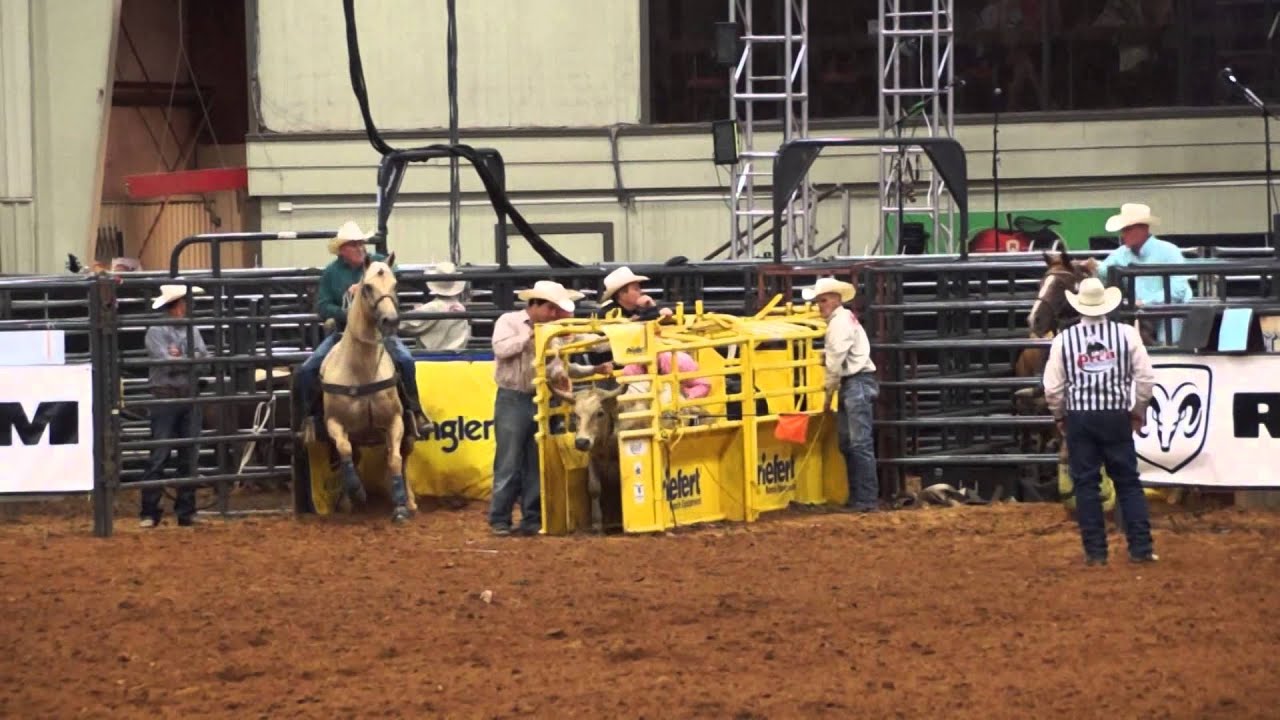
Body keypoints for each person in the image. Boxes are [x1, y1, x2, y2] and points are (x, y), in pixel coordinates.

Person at [1043, 276, 1158, 566]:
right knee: (1128, 482)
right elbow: (1145, 378)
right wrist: (1138, 410)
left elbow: (1052, 388)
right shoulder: (1126, 335)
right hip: (1116, 415)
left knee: (1086, 484)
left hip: (1080, 417)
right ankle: (1141, 548)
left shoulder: (1063, 340)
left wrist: (1060, 417)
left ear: (1079, 305)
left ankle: (1095, 553)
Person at [489, 281, 609, 537]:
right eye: (550, 308)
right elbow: (501, 349)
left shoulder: (552, 332)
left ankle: (533, 518)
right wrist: (531, 336)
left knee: (537, 462)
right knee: (508, 461)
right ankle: (500, 519)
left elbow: (559, 364)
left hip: (542, 397)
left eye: (556, 309)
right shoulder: (509, 322)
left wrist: (571, 373)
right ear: (534, 305)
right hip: (514, 397)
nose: (554, 314)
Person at [296, 221, 431, 437]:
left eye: (361, 243)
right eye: (353, 244)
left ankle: (415, 411)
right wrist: (348, 313)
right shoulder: (331, 273)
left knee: (405, 361)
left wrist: (370, 283)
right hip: (342, 334)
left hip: (379, 332)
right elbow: (323, 306)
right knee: (307, 370)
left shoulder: (376, 263)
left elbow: (393, 273)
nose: (360, 248)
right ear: (342, 250)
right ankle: (308, 419)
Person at [803, 277, 879, 512]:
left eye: (823, 300)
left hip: (855, 383)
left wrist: (828, 395)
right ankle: (861, 498)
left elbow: (834, 362)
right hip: (856, 383)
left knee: (857, 443)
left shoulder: (839, 323)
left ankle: (865, 499)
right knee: (852, 443)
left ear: (835, 300)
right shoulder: (844, 320)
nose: (820, 306)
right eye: (818, 301)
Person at [137, 284, 209, 528]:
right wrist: (189, 361)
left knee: (188, 455)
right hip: (167, 396)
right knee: (161, 454)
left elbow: (204, 359)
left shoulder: (186, 329)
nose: (185, 307)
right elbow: (169, 361)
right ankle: (153, 511)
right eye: (182, 303)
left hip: (183, 394)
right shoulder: (156, 331)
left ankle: (180, 511)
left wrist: (180, 358)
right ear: (175, 306)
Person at [1095, 203, 1192, 345]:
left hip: (1170, 310)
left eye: (1127, 229)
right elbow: (1103, 272)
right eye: (1123, 230)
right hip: (1137, 314)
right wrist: (1092, 267)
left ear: (1143, 229)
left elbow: (1178, 291)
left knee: (1168, 341)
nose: (1123, 234)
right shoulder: (1121, 253)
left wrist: (1145, 303)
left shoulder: (1169, 251)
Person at [400, 261, 472, 352]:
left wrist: (416, 311)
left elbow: (402, 324)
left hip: (431, 358)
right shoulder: (461, 309)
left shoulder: (432, 308)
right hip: (457, 358)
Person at [598, 266, 673, 321]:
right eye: (636, 289)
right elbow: (630, 324)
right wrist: (657, 314)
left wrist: (652, 306)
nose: (641, 292)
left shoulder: (637, 310)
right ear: (622, 294)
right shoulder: (609, 312)